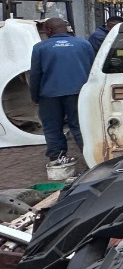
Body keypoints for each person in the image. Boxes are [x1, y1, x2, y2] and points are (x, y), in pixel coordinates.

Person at [30, 17, 96, 164]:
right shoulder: (84, 44)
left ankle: (57, 158)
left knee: (52, 127)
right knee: (80, 126)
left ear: (48, 30)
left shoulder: (40, 48)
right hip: (78, 93)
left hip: (49, 94)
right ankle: (92, 159)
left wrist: (34, 96)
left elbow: (35, 74)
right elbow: (93, 69)